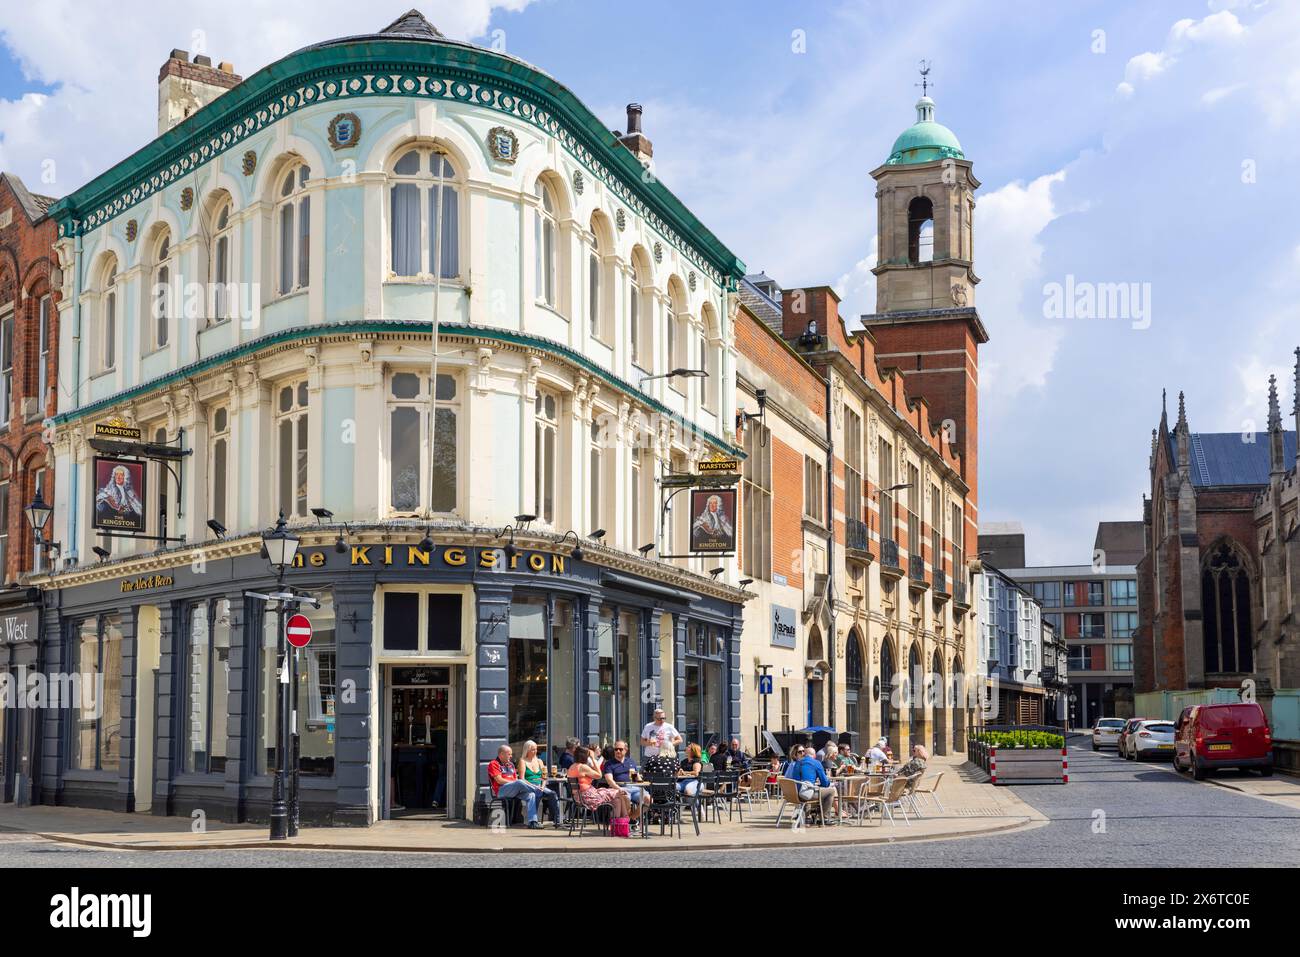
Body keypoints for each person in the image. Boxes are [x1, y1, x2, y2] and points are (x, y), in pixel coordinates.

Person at [487, 744, 560, 829]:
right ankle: (539, 791)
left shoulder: (510, 765)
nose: (511, 756)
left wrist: (516, 783)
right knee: (520, 781)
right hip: (501, 790)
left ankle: (533, 822)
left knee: (531, 795)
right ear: (501, 754)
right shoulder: (494, 764)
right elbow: (499, 780)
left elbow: (515, 780)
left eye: (511, 754)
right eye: (509, 754)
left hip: (514, 789)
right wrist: (516, 782)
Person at [568, 746, 634, 826]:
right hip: (588, 797)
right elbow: (599, 775)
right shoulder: (583, 767)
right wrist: (593, 758)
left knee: (617, 800)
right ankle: (624, 823)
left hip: (579, 797)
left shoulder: (572, 767)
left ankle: (619, 825)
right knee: (618, 793)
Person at [789, 745, 838, 823]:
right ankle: (823, 818)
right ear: (814, 755)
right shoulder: (816, 763)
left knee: (814, 790)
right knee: (831, 791)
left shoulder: (797, 763)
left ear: (805, 754)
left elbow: (796, 778)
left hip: (794, 794)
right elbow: (825, 783)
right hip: (805, 794)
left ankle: (808, 816)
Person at [603, 740, 651, 814]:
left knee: (648, 799)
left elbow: (636, 777)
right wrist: (619, 789)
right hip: (620, 788)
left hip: (634, 788)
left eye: (620, 749)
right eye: (616, 749)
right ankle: (627, 821)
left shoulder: (630, 761)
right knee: (626, 799)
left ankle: (632, 818)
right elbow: (609, 780)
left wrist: (641, 782)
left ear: (626, 750)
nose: (618, 751)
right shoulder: (609, 764)